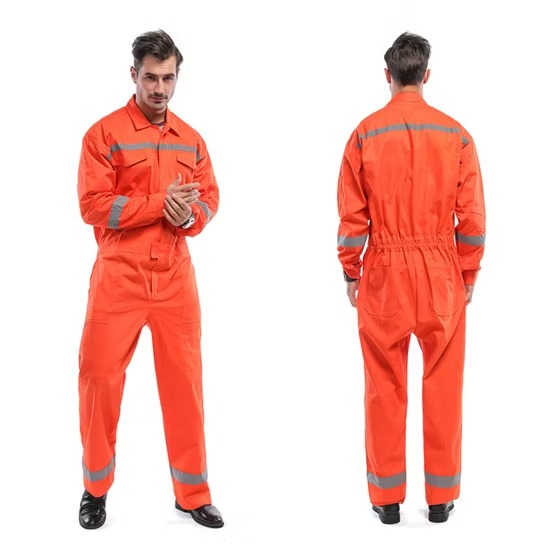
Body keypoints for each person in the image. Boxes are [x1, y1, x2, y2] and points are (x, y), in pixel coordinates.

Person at [336, 32, 486, 524]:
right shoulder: (456, 135)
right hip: (441, 272)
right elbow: (472, 218)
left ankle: (386, 501)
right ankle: (440, 500)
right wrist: (467, 271)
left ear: (388, 75)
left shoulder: (365, 134)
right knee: (443, 384)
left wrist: (351, 270)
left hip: (384, 272)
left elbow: (352, 216)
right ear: (426, 75)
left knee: (384, 384)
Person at [77, 29, 223, 529]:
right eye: (151, 78)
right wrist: (161, 205)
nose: (160, 89)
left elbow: (209, 199)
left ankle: (192, 494)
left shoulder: (191, 139)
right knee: (99, 382)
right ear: (133, 75)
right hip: (119, 277)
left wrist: (190, 217)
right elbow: (93, 205)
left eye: (168, 78)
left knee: (185, 387)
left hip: (175, 279)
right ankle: (95, 490)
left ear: (178, 76)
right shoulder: (104, 134)